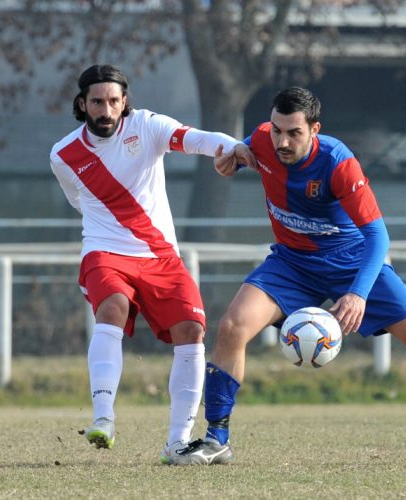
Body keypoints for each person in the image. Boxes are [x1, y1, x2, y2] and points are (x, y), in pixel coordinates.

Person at [165, 86, 406, 466]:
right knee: (232, 327)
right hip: (293, 263)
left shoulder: (338, 162)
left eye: (294, 133)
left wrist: (358, 293)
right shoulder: (263, 139)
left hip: (352, 262)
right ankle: (217, 439)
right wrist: (234, 158)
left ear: (315, 130)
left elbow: (378, 236)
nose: (282, 141)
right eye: (276, 131)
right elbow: (246, 146)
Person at [49, 64, 254, 462]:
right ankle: (103, 418)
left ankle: (177, 443)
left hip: (161, 255)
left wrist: (232, 146)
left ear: (125, 102)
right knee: (112, 307)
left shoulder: (147, 126)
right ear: (82, 104)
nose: (105, 110)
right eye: (97, 102)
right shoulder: (63, 155)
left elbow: (194, 139)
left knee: (192, 329)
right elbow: (79, 199)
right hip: (105, 250)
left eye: (113, 101)